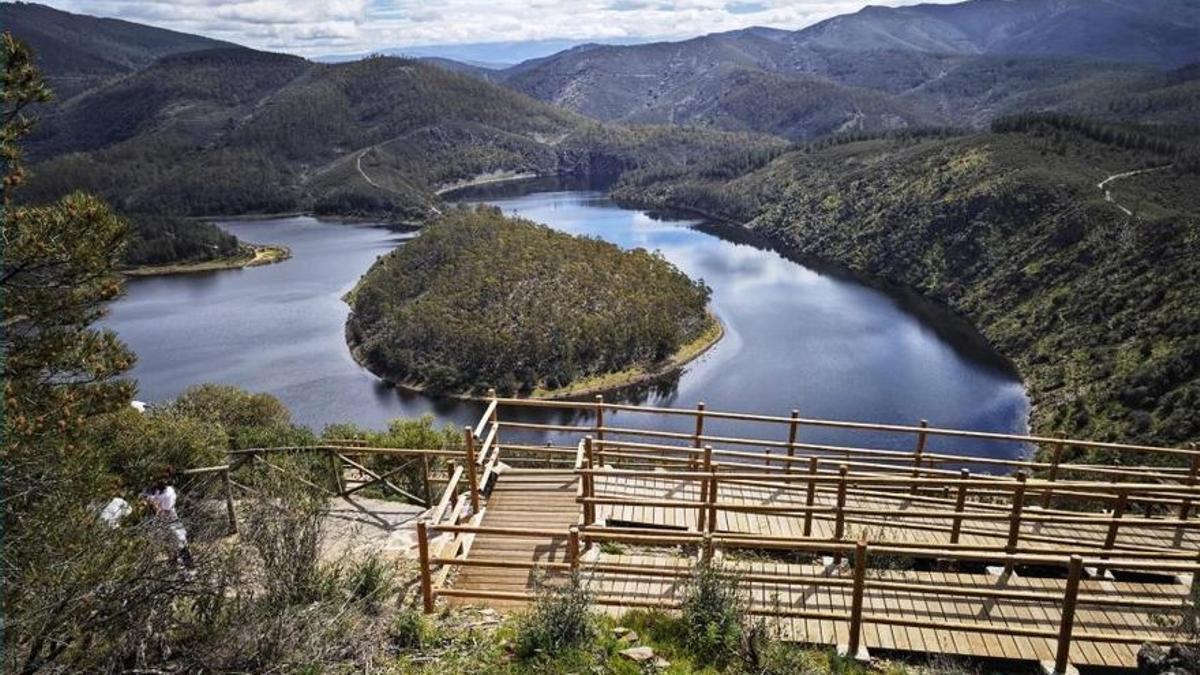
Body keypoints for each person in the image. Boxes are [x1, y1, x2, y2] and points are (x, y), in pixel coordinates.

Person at [142, 469, 195, 570]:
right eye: (160, 479)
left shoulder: (169, 492)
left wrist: (152, 503)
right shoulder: (153, 490)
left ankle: (189, 568)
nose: (163, 481)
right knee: (168, 547)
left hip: (171, 521)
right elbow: (144, 498)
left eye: (165, 478)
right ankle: (174, 568)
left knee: (181, 542)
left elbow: (164, 509)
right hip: (159, 523)